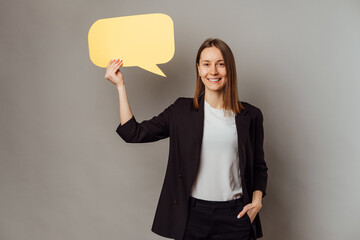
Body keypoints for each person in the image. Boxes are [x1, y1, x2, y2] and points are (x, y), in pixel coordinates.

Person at [105, 38, 268, 240]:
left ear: (230, 69)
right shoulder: (181, 111)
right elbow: (133, 133)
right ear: (198, 69)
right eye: (206, 64)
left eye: (221, 64)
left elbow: (259, 166)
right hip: (192, 216)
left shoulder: (250, 116)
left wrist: (257, 201)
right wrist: (120, 86)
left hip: (235, 215)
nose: (213, 71)